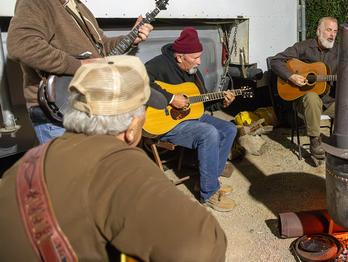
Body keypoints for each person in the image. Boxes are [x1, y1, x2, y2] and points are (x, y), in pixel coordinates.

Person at [0, 55, 227, 261]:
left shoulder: (28, 162)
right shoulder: (122, 165)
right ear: (132, 127)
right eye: (145, 109)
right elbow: (206, 246)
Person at [6, 0, 153, 144]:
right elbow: (21, 45)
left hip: (85, 107)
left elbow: (102, 48)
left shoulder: (78, 6)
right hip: (58, 113)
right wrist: (79, 65)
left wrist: (133, 37)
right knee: (67, 175)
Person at [145, 27, 238, 212]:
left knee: (229, 129)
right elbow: (137, 83)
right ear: (180, 57)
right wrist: (171, 99)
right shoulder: (158, 65)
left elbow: (202, 104)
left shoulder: (193, 72)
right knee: (209, 133)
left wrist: (222, 103)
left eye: (199, 56)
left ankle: (210, 180)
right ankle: (208, 193)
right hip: (164, 123)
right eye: (195, 57)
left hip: (191, 117)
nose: (199, 61)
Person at [269, 16, 339, 159]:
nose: (332, 34)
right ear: (319, 31)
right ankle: (315, 141)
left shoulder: (339, 53)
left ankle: (342, 142)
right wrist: (291, 76)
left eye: (335, 31)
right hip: (303, 101)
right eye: (328, 30)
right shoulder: (303, 47)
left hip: (328, 101)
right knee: (312, 96)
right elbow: (276, 61)